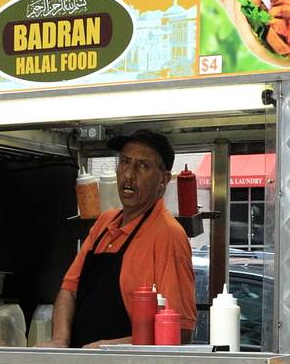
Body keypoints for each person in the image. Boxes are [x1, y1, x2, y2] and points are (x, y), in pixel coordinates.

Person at [48, 129, 196, 348]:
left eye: (142, 165)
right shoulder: (104, 223)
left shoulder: (168, 234)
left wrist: (107, 349)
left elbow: (180, 331)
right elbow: (69, 291)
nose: (129, 174)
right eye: (125, 162)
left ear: (163, 180)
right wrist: (60, 340)